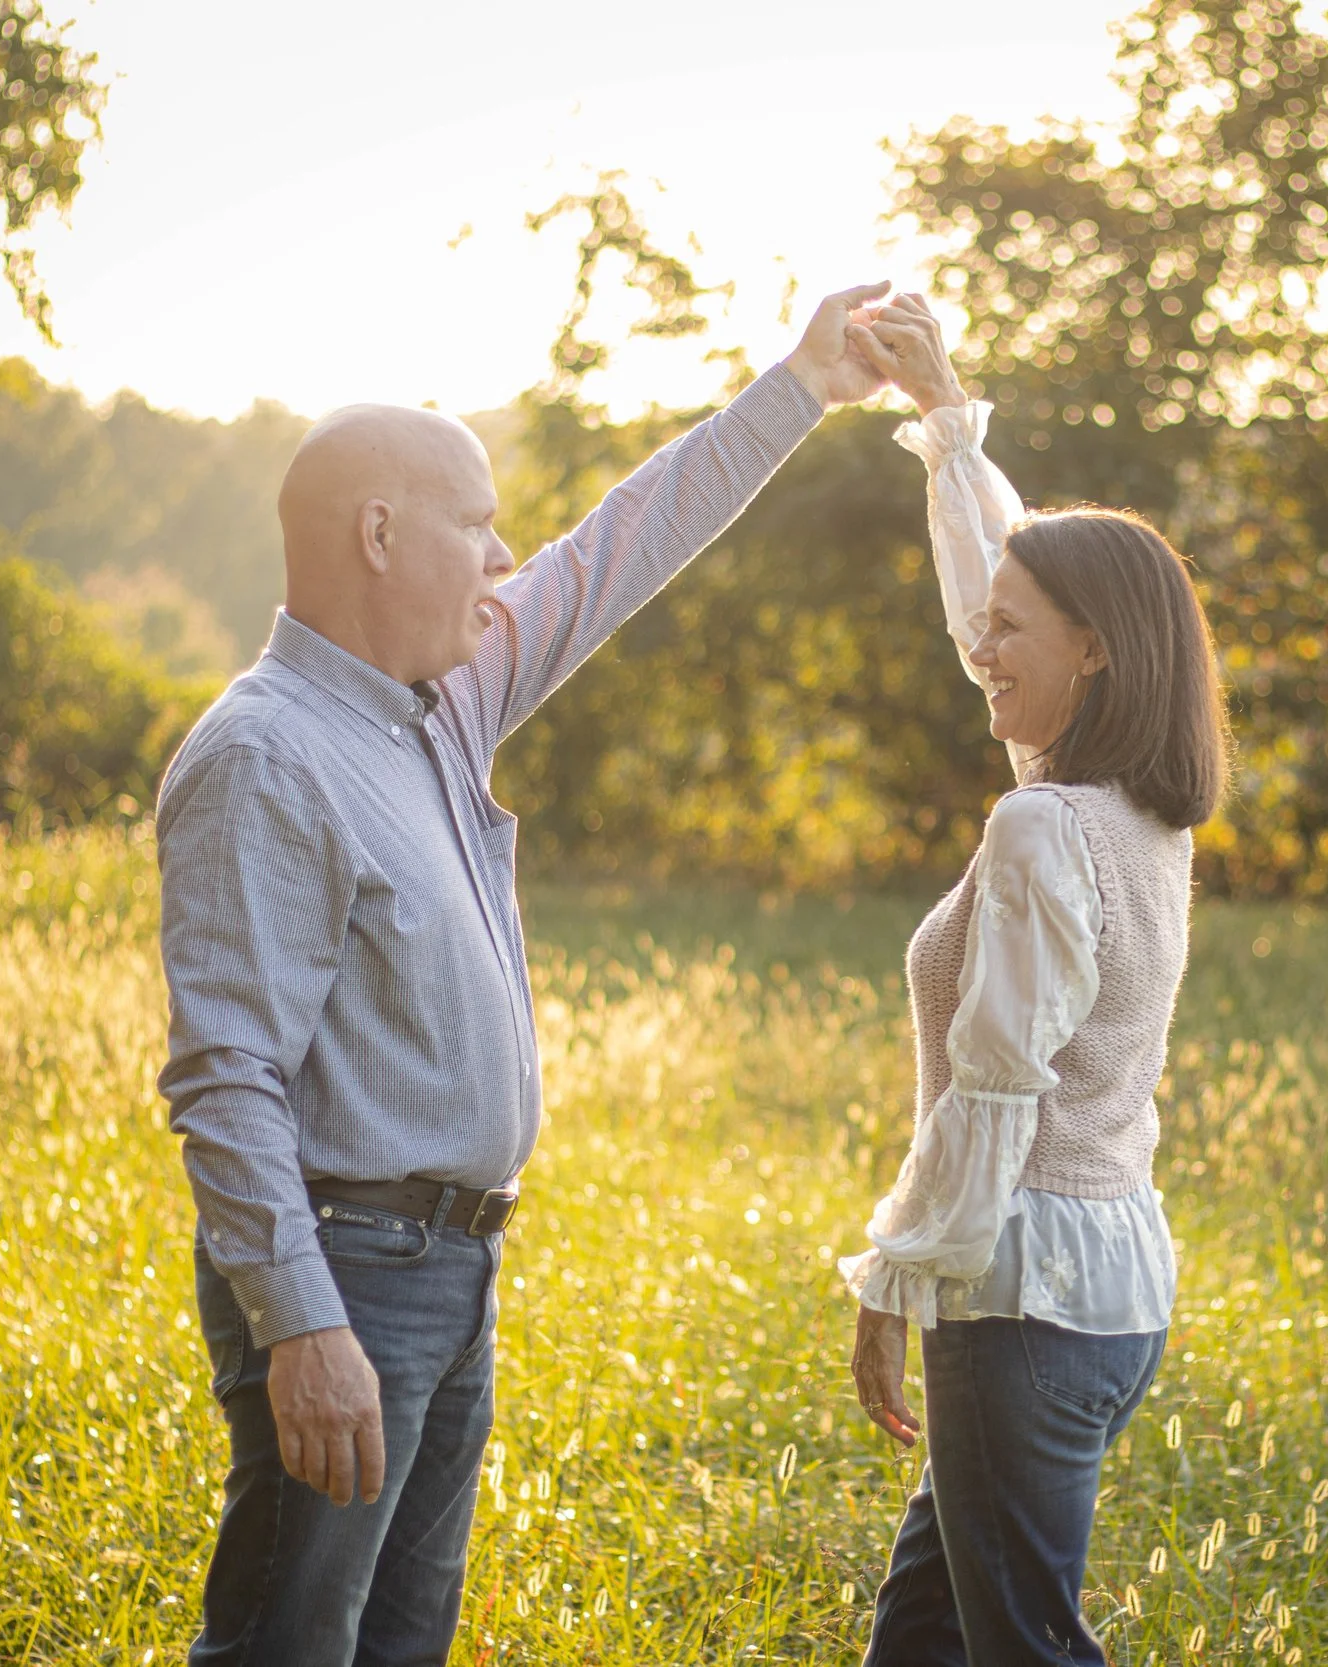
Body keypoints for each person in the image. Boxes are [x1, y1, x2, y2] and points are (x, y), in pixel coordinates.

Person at [155, 281, 893, 1667]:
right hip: (350, 1268)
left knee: (401, 1643)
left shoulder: (446, 700)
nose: (504, 556)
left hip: (454, 1263)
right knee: (286, 1643)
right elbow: (226, 1073)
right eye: (475, 523)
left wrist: (801, 384)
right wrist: (303, 1323)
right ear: (379, 534)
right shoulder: (264, 752)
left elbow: (621, 545)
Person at [841, 294, 1231, 1667]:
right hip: (1108, 1287)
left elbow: (995, 1093)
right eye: (984, 629)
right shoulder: (1130, 810)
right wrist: (950, 427)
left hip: (1020, 1301)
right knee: (924, 1634)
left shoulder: (1044, 828)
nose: (979, 650)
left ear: (1096, 650)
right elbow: (985, 589)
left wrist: (893, 1277)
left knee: (1023, 1647)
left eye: (1013, 635)